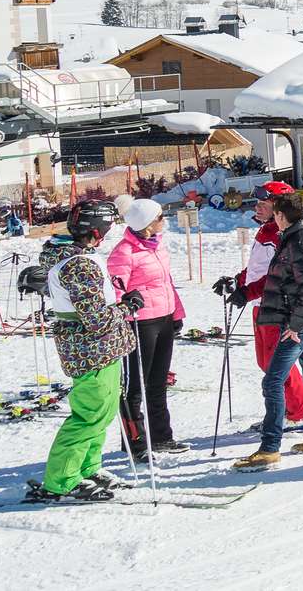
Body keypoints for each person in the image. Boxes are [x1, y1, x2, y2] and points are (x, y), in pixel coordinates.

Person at [25, 202, 143, 502]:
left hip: (101, 349)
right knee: (89, 415)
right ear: (97, 231)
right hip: (91, 349)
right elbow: (97, 319)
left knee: (102, 413)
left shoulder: (78, 256)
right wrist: (127, 307)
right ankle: (62, 479)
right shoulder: (78, 265)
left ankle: (87, 467)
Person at [232, 191, 303, 471]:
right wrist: (243, 289)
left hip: (301, 323)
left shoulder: (299, 243)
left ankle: (269, 449)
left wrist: (295, 326)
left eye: (274, 213)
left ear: (280, 215)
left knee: (273, 380)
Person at [212, 182, 303, 431]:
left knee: (276, 364)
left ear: (279, 207)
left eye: (263, 204)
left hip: (276, 306)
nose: (256, 207)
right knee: (265, 362)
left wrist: (246, 292)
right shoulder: (265, 231)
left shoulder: (281, 236)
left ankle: (300, 413)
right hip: (261, 304)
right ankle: (289, 410)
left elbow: (275, 276)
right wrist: (237, 282)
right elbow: (258, 269)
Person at [107, 196, 188, 462]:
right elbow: (116, 290)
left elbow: (166, 283)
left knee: (158, 382)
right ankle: (135, 442)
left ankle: (162, 436)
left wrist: (176, 313)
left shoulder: (157, 247)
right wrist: (125, 311)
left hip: (163, 318)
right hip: (139, 323)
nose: (163, 220)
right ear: (146, 223)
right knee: (134, 387)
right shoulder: (124, 253)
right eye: (160, 217)